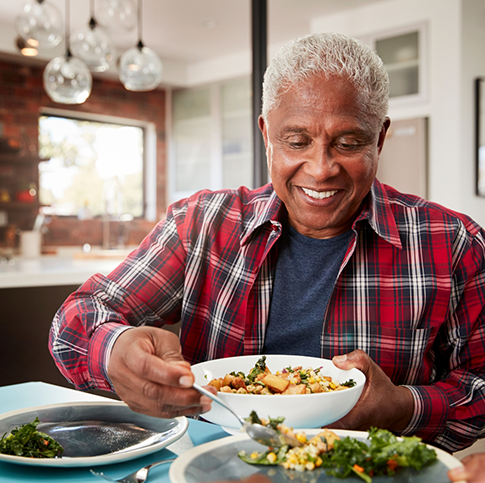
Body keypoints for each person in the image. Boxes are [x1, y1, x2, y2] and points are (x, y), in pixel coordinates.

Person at [49, 32, 485, 454]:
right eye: (296, 141)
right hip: (214, 468)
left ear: (380, 138)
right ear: (266, 135)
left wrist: (403, 408)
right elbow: (75, 322)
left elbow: (480, 385)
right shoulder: (201, 225)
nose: (320, 169)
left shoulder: (453, 244)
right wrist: (114, 353)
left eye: (349, 143)